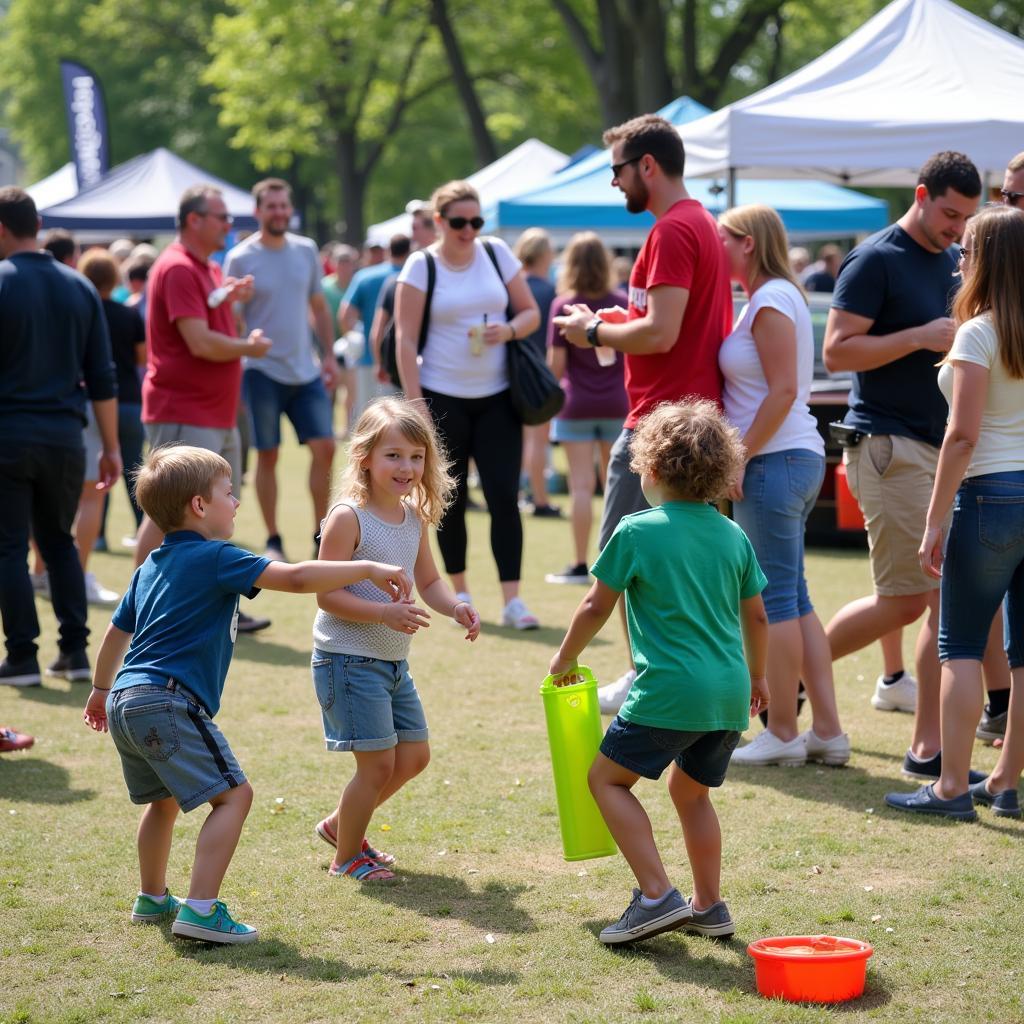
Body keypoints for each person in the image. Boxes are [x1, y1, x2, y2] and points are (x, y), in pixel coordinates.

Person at [82, 444, 413, 941]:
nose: (235, 502)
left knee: (163, 801)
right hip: (169, 700)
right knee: (235, 796)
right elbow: (298, 577)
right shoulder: (217, 556)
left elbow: (114, 636)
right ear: (199, 506)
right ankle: (200, 909)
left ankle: (152, 898)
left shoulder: (149, 565)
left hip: (126, 696)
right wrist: (365, 568)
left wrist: (99, 691)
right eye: (229, 493)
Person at [548, 399, 768, 944]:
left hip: (670, 691)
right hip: (728, 693)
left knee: (606, 780)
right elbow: (758, 615)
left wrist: (566, 656)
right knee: (692, 794)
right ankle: (709, 906)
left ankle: (655, 896)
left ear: (648, 469)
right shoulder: (731, 534)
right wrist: (759, 678)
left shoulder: (635, 530)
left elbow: (596, 606)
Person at [552, 114, 732, 711]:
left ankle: (644, 676)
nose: (614, 183)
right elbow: (664, 328)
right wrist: (600, 327)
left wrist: (595, 329)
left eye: (617, 171)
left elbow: (661, 333)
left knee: (625, 556)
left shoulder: (674, 230)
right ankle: (663, 672)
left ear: (647, 166)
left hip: (660, 425)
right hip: (682, 417)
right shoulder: (696, 223)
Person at [822, 151, 984, 783]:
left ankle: (927, 747)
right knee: (911, 601)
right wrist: (918, 336)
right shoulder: (875, 259)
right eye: (949, 213)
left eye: (966, 218)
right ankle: (786, 677)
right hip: (888, 444)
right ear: (920, 195)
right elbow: (837, 352)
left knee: (930, 601)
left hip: (936, 445)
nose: (956, 229)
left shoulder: (951, 259)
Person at [887, 205, 1024, 820]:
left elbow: (961, 435)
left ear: (987, 261)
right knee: (1021, 653)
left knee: (961, 645)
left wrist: (935, 518)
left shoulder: (978, 332)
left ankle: (948, 788)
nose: (958, 261)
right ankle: (1005, 781)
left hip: (990, 492)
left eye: (967, 251)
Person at [311, 398, 480, 880]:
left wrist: (456, 606)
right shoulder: (348, 518)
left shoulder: (413, 517)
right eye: (393, 455)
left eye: (416, 456)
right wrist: (384, 612)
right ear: (364, 456)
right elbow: (326, 594)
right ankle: (346, 859)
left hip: (391, 662)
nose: (406, 467)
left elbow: (429, 582)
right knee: (377, 766)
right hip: (346, 660)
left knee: (414, 756)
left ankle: (340, 826)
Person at [715, 204, 848, 767]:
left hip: (775, 461)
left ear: (747, 243)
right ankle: (828, 732)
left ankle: (785, 732)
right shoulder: (775, 297)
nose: (715, 247)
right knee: (796, 598)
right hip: (789, 458)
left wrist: (738, 457)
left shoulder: (770, 299)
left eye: (723, 238)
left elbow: (784, 390)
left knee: (775, 601)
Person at [394, 179, 542, 629]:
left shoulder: (496, 252)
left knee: (504, 496)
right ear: (438, 222)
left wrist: (509, 330)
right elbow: (404, 337)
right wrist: (415, 403)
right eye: (459, 221)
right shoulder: (421, 265)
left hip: (499, 396)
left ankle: (513, 600)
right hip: (441, 398)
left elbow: (531, 312)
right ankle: (459, 592)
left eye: (476, 220)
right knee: (450, 500)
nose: (468, 229)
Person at [134, 184, 273, 634]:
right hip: (185, 406)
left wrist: (230, 302)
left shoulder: (207, 269)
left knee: (211, 510)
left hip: (214, 408)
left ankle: (214, 601)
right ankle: (141, 606)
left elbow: (213, 328)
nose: (229, 225)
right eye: (221, 218)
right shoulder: (177, 267)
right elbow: (198, 342)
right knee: (169, 512)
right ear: (194, 220)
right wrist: (248, 348)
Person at [0, 187, 121, 687]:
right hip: (66, 438)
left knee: (8, 547)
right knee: (61, 543)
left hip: (8, 434)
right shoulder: (80, 287)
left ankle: (22, 656)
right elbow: (103, 375)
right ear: (38, 223)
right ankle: (74, 651)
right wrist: (111, 446)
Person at [224, 178, 340, 562]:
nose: (278, 212)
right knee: (268, 454)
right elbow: (231, 318)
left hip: (305, 370)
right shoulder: (240, 257)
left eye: (283, 205)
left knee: (325, 447)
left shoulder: (306, 250)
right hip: (262, 370)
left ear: (290, 209)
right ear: (258, 211)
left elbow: (319, 307)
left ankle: (321, 533)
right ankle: (273, 538)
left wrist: (328, 356)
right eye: (270, 206)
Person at [545, 232, 628, 584]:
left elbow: (556, 369)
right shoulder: (622, 301)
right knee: (616, 488)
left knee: (580, 487)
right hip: (618, 404)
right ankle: (614, 565)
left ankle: (580, 564)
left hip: (576, 405)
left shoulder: (563, 305)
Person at [75, 249, 147, 603]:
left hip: (88, 402)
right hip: (129, 400)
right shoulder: (128, 313)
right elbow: (142, 357)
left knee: (92, 484)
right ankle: (141, 528)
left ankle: (99, 536)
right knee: (136, 473)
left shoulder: (79, 312)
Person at [514, 228, 560, 517]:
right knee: (536, 439)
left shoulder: (514, 287)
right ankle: (539, 499)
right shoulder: (550, 291)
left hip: (511, 372)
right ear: (545, 255)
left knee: (516, 439)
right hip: (540, 373)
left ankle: (517, 493)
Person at [340, 238, 407, 420]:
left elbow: (345, 315)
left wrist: (353, 338)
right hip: (401, 360)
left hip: (370, 358)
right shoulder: (410, 274)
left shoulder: (364, 276)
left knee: (369, 420)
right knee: (400, 419)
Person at [322, 243, 360, 439]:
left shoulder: (358, 284)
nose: (345, 267)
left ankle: (348, 428)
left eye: (349, 262)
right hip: (328, 349)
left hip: (352, 349)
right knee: (329, 392)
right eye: (342, 262)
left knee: (351, 391)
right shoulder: (324, 286)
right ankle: (327, 429)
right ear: (334, 263)